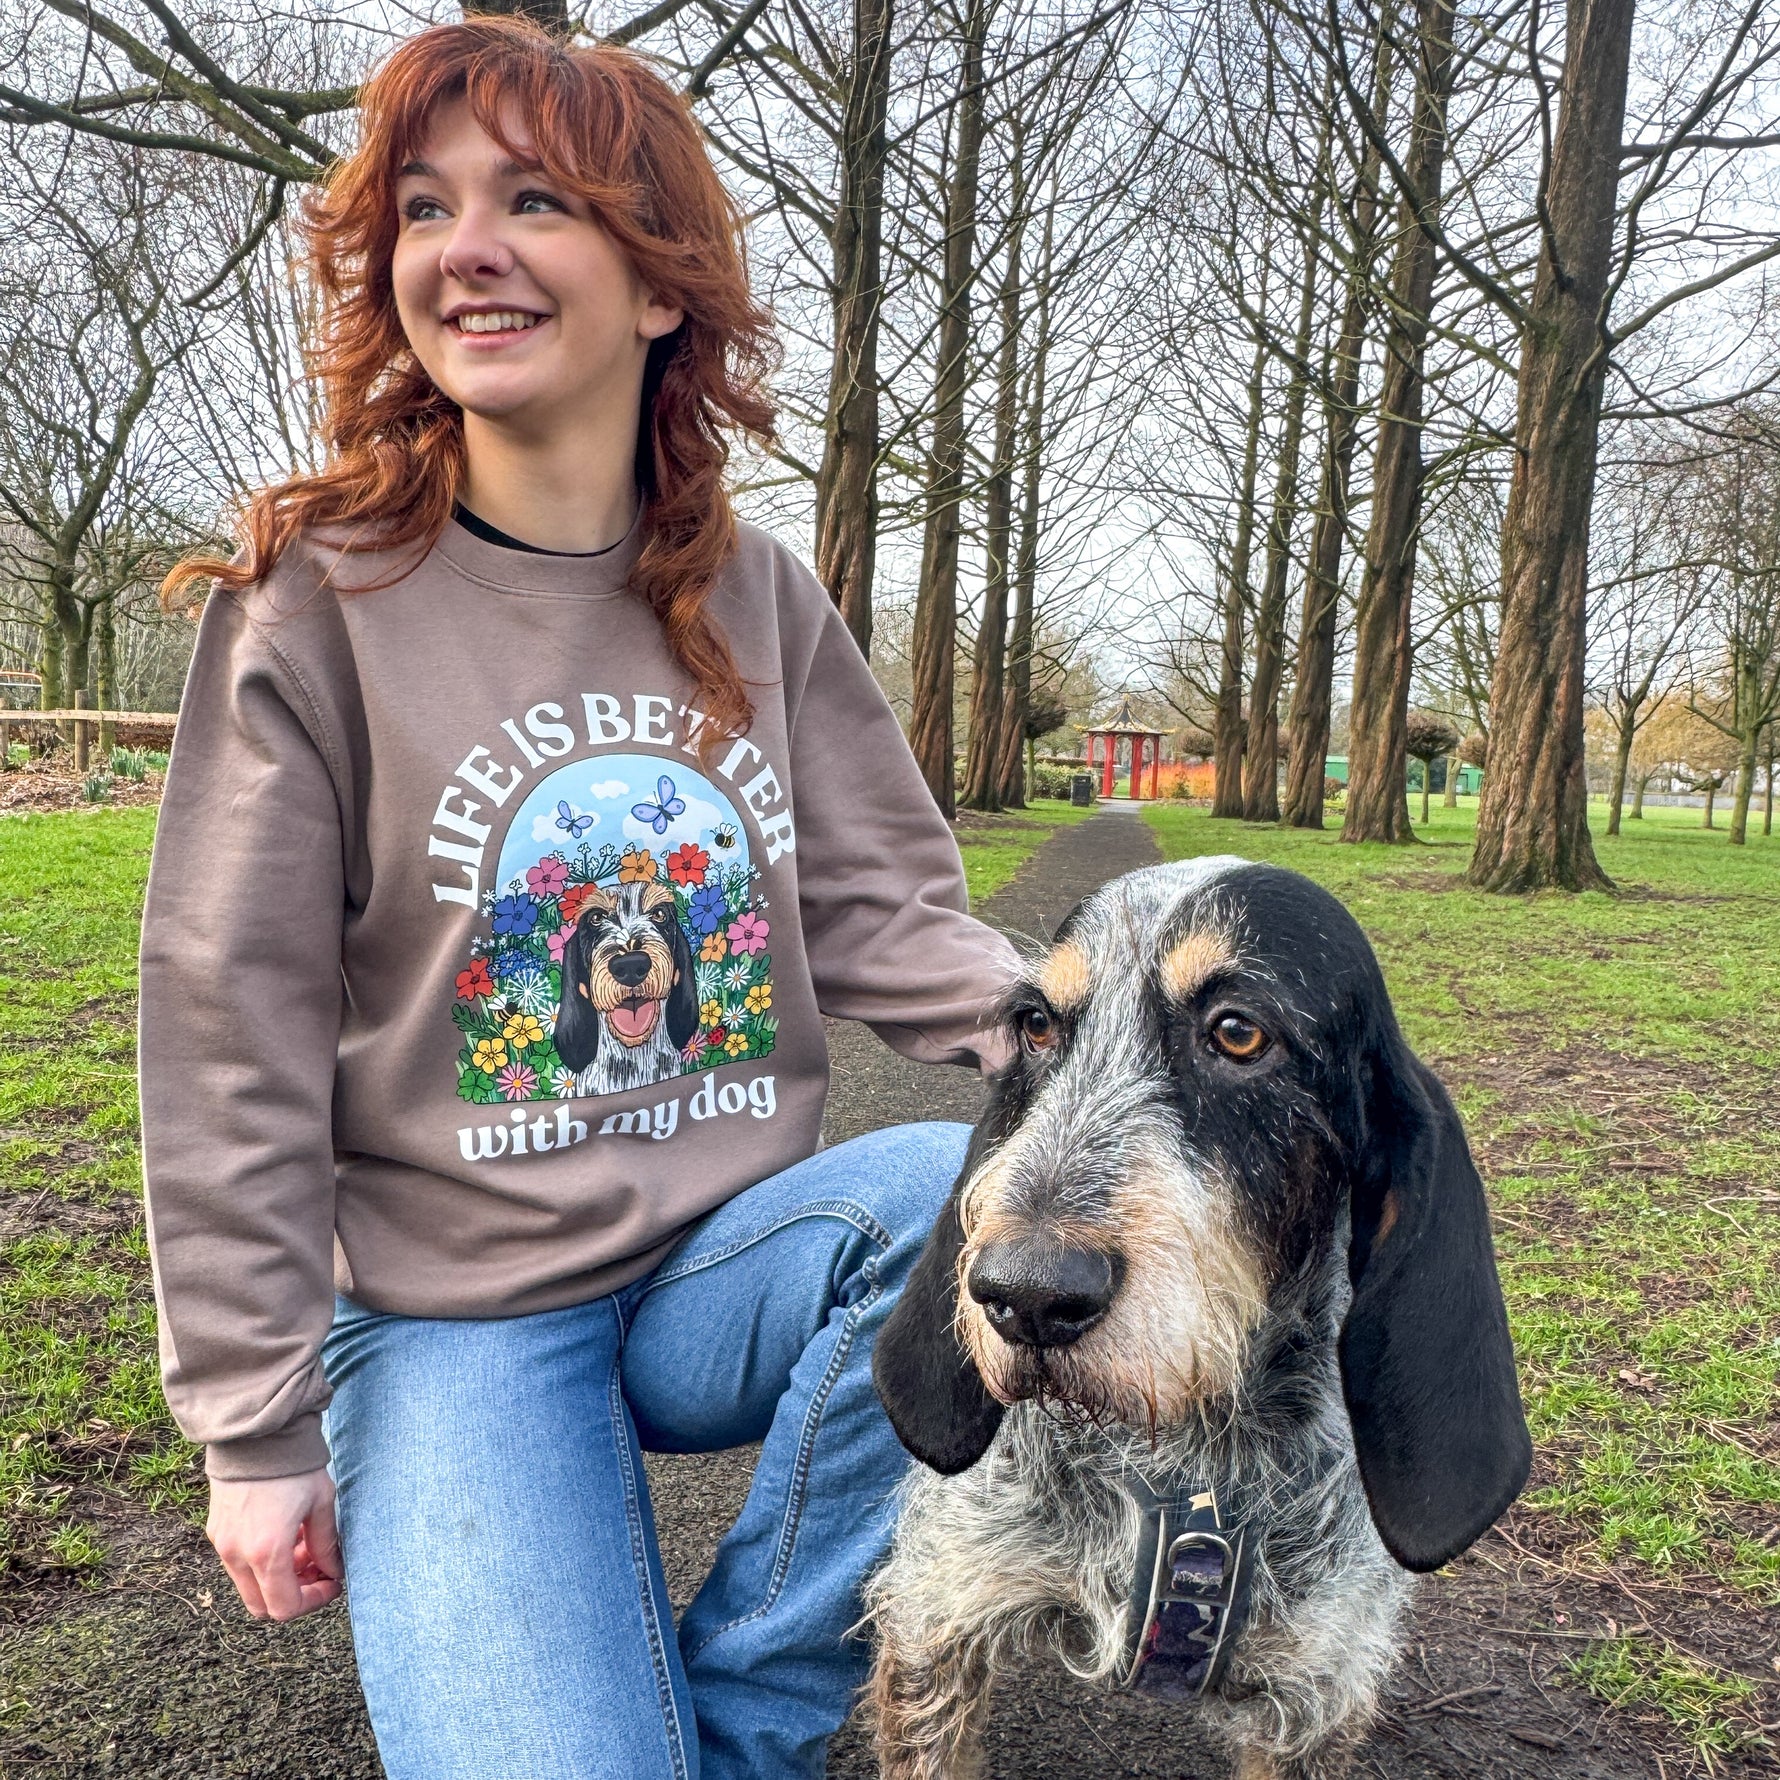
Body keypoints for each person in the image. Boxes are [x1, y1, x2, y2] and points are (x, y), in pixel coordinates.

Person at [139, 20, 1016, 1779]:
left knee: (970, 1201)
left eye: (535, 199)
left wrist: (1101, 1039)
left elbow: (886, 912)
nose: (465, 245)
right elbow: (229, 1031)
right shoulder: (319, 602)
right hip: (451, 1312)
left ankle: (752, 1718)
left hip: (717, 1267)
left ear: (659, 284)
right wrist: (255, 1429)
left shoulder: (753, 597)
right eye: (426, 206)